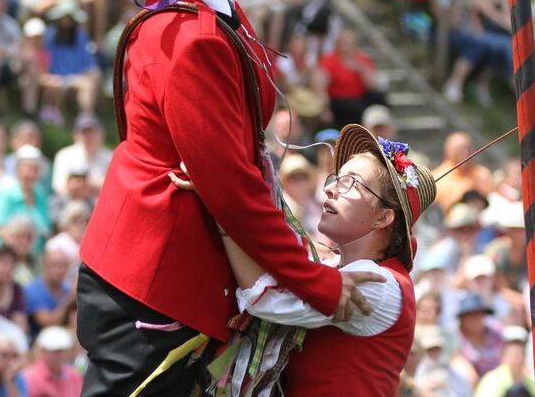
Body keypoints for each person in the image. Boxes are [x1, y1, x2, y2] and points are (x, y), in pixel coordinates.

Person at [0, 0, 371, 395]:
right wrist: (316, 283)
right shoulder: (189, 37)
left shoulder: (210, 20)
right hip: (156, 280)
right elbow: (229, 186)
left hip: (173, 274)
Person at [174, 126, 437, 396]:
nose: (332, 189)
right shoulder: (340, 268)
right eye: (336, 178)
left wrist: (222, 206)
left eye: (351, 182)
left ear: (384, 217)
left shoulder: (380, 284)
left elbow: (268, 299)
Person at [22, 326, 82, 397]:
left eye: (61, 351)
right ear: (43, 351)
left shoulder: (75, 376)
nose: (58, 355)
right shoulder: (30, 378)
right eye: (53, 351)